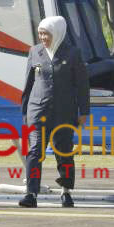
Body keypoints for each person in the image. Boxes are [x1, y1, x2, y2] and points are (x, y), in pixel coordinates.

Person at [19, 16, 90, 208]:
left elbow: (82, 85)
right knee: (35, 151)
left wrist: (83, 111)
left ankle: (66, 192)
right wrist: (25, 112)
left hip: (64, 112)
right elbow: (28, 84)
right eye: (40, 33)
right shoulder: (35, 51)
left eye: (46, 34)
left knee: (64, 152)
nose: (43, 37)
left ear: (57, 33)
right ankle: (31, 194)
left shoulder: (73, 53)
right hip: (37, 109)